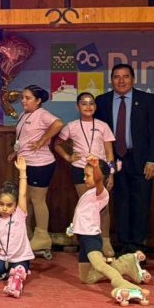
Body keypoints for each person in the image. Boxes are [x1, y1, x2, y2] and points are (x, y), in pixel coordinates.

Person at [95, 63, 154, 258]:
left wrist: (152, 160)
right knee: (120, 203)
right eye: (116, 77)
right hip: (115, 160)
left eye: (126, 76)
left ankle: (137, 246)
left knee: (140, 203)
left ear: (133, 79)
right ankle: (124, 245)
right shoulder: (102, 101)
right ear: (111, 80)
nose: (121, 81)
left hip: (141, 161)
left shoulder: (147, 100)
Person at [73, 158, 150, 303]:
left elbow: (98, 180)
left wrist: (96, 167)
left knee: (99, 265)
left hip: (91, 238)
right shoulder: (88, 193)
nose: (84, 178)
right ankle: (125, 263)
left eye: (87, 175)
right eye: (84, 174)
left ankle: (125, 285)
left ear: (99, 176)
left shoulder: (102, 193)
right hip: (84, 239)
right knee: (86, 278)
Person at [54, 92, 116, 259]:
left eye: (91, 103)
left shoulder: (103, 126)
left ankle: (105, 240)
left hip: (100, 171)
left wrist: (111, 174)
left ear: (95, 106)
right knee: (85, 205)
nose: (88, 106)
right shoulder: (72, 126)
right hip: (80, 170)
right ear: (77, 107)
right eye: (84, 103)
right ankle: (83, 240)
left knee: (103, 207)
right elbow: (57, 144)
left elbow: (109, 153)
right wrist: (68, 157)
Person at [7, 85, 63, 258]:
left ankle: (42, 236)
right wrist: (16, 152)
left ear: (38, 101)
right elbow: (23, 138)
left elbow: (58, 124)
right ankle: (27, 233)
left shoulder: (42, 114)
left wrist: (42, 140)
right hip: (27, 163)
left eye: (28, 98)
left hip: (41, 164)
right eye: (23, 97)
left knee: (38, 199)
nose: (23, 101)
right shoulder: (24, 115)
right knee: (26, 199)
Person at [0, 157, 34, 298]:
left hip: (20, 258)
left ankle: (16, 279)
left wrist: (23, 172)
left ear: (15, 205)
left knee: (18, 271)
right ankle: (7, 273)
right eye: (1, 204)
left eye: (9, 205)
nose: (4, 208)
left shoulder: (19, 215)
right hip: (3, 259)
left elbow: (22, 194)